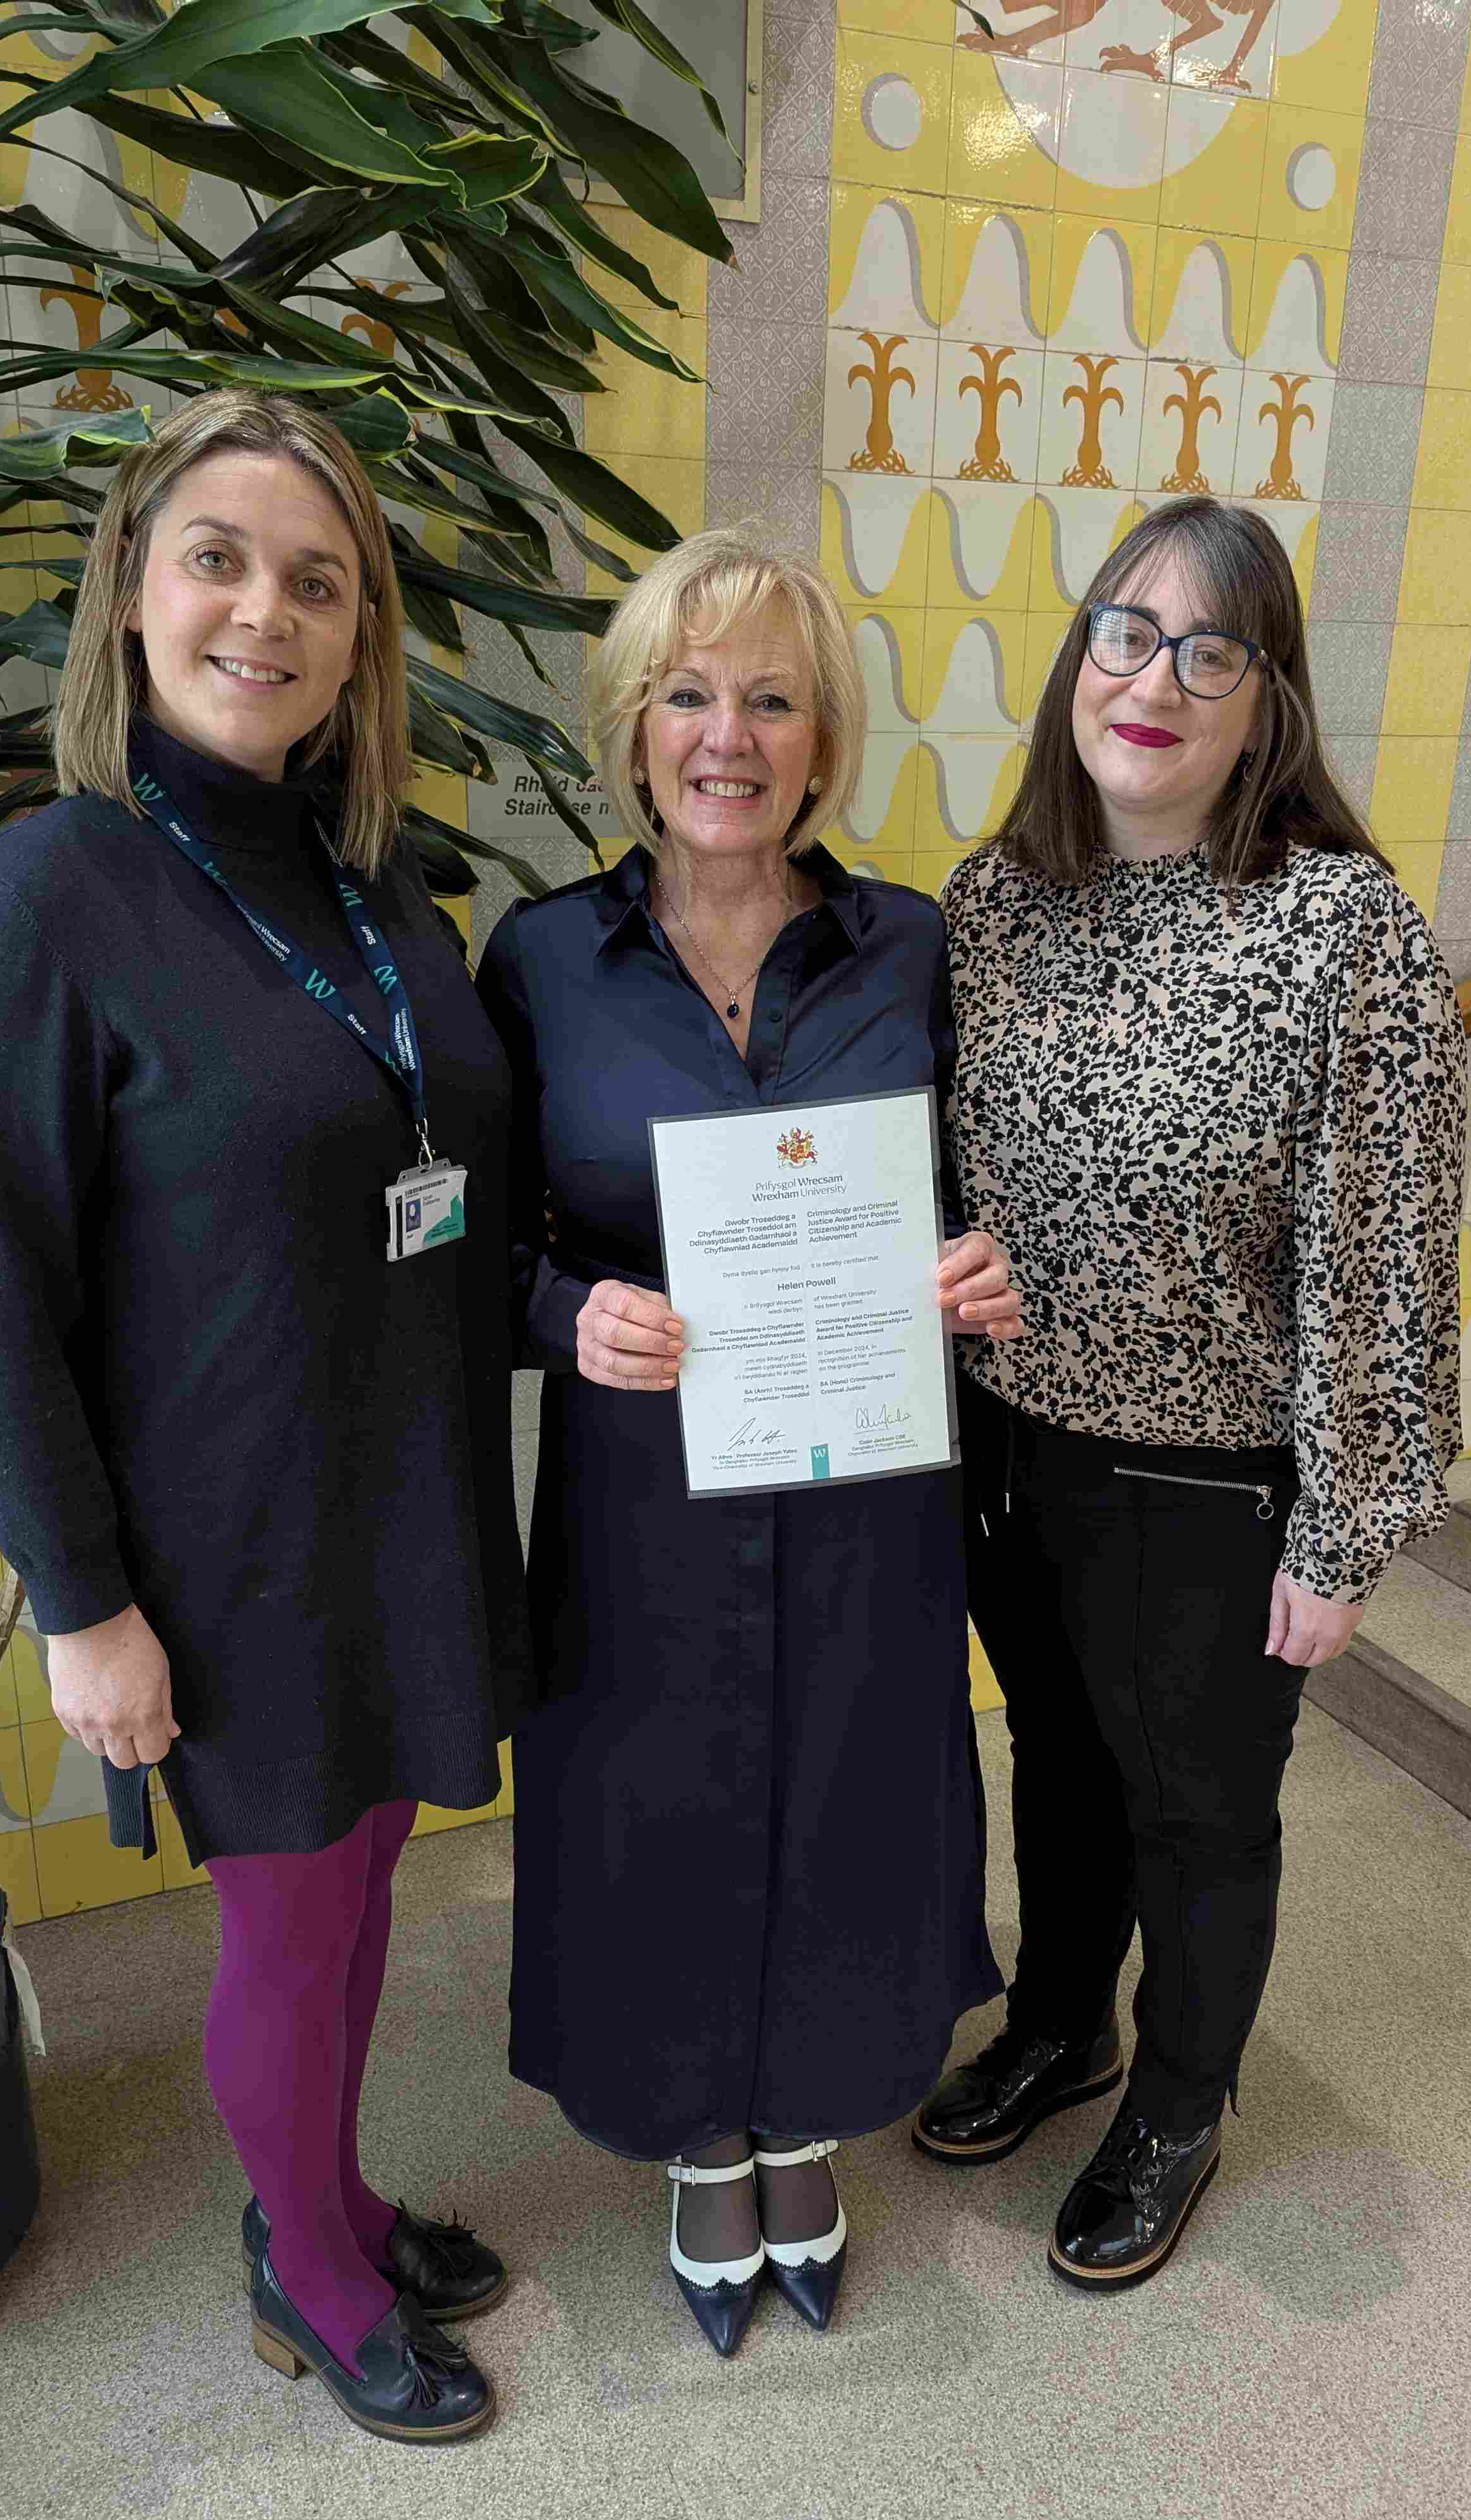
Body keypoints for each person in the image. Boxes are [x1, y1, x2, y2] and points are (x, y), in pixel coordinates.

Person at [0, 391, 529, 2442]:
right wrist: (84, 1607)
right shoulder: (45, 897)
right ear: (133, 595)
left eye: (315, 583)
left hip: (406, 1505)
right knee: (285, 1913)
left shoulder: (384, 894)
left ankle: (329, 2193)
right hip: (225, 1542)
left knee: (355, 1883)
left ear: (360, 644)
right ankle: (314, 2280)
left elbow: (448, 1193)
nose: (262, 612)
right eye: (218, 560)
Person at [475, 529, 1021, 2356]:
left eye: (774, 699)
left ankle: (805, 2111)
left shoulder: (912, 949)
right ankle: (697, 2128)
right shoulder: (545, 958)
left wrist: (973, 1265)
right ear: (637, 732)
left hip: (867, 1471)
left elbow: (972, 1190)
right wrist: (570, 1320)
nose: (732, 734)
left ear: (821, 741)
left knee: (856, 1775)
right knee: (652, 1788)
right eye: (693, 695)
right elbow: (480, 1246)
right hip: (644, 1483)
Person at [914, 496, 1465, 2290]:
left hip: (1217, 1486)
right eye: (1124, 632)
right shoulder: (997, 902)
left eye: (1210, 648)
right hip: (1012, 1446)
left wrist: (1349, 1528)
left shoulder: (1341, 933)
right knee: (1056, 1766)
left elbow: (1383, 1264)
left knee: (1198, 1810)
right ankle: (1064, 2020)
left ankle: (1180, 2099)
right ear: (1080, 661)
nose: (1155, 678)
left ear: (1265, 703)